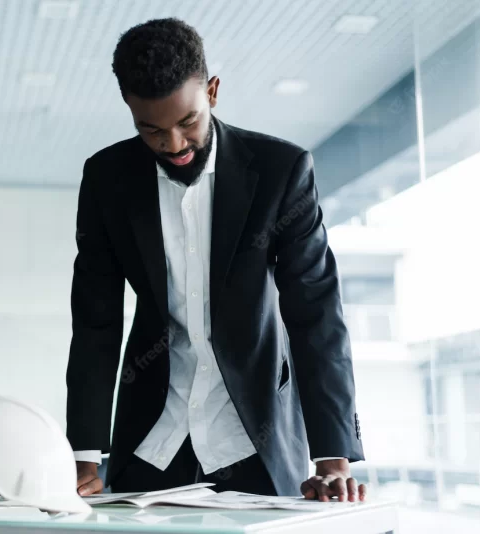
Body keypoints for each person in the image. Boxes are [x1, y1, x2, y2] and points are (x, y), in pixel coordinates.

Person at [65, 18, 366, 501]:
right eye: (151, 129)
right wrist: (84, 453)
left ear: (213, 91)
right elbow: (95, 321)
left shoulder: (280, 172)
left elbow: (316, 314)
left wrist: (333, 457)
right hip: (152, 440)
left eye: (188, 122)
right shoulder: (107, 179)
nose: (174, 144)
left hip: (255, 440)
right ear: (129, 108)